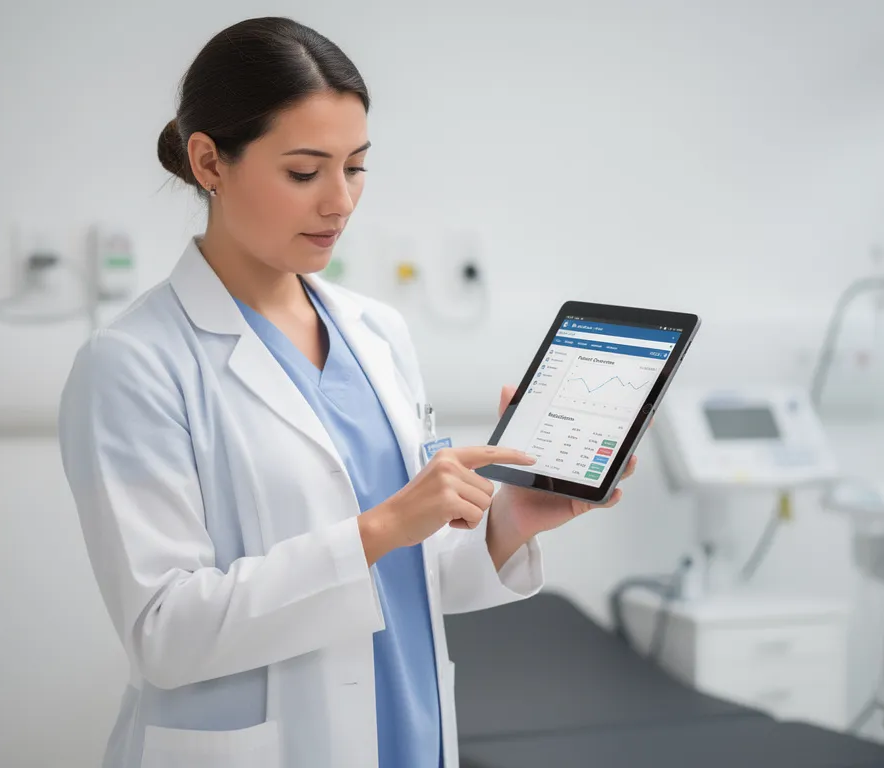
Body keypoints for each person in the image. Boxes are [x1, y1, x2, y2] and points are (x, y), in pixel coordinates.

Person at [57, 16, 637, 768]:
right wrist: (382, 526)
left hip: (407, 735)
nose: (340, 203)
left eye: (355, 167)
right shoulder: (133, 364)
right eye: (304, 172)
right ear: (209, 161)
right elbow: (165, 633)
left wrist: (511, 518)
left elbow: (410, 582)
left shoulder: (376, 332)